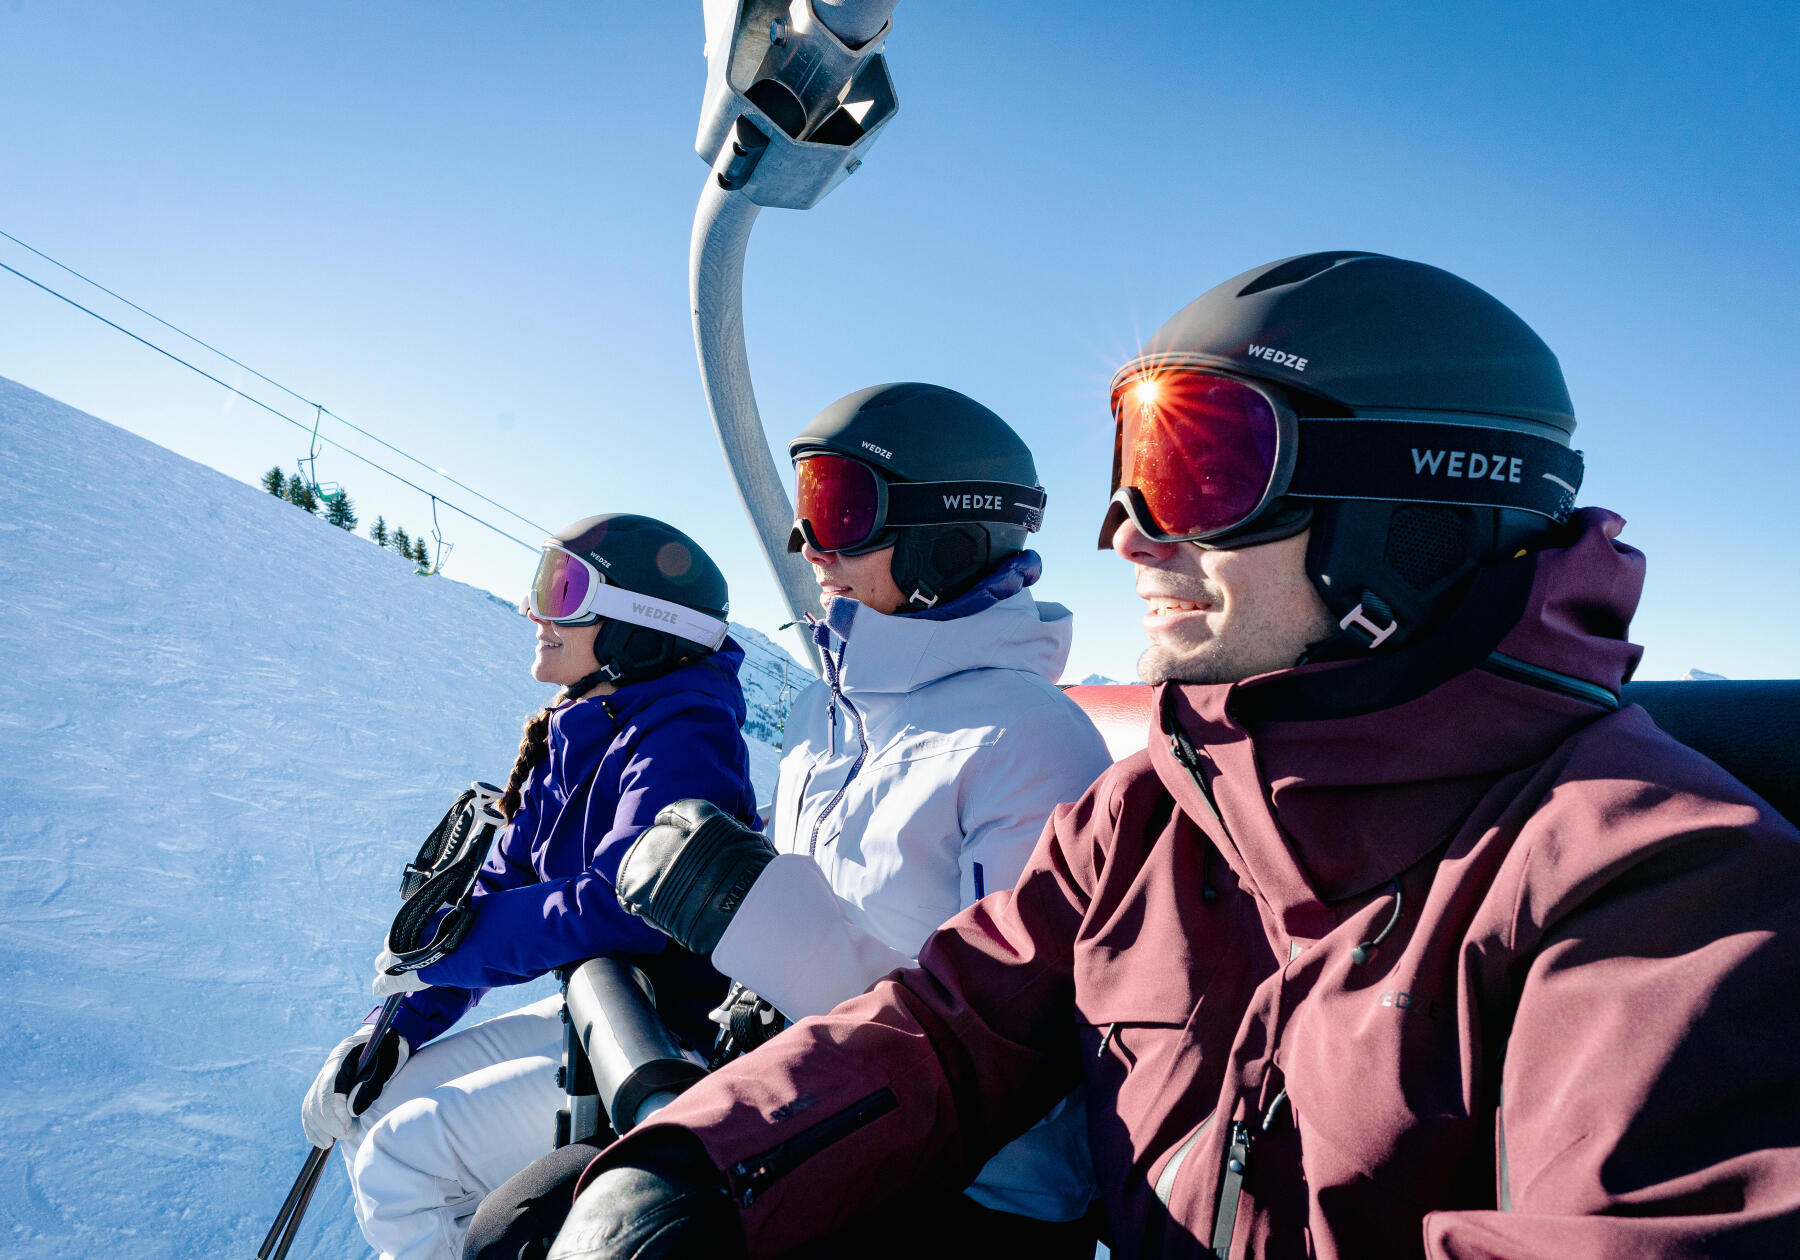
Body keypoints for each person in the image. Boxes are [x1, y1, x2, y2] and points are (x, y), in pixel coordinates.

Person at [544, 254, 1800, 1259]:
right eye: (1134, 467)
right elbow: (948, 1025)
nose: (1128, 533)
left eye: (1203, 467)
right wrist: (700, 1171)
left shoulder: (1659, 890)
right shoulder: (1154, 811)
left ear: (1413, 516)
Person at [463, 384, 1113, 1259]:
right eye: (803, 508)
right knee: (514, 1228)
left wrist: (754, 916)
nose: (807, 544)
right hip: (797, 1096)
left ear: (949, 530)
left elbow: (1023, 1092)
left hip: (961, 1191)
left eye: (839, 507)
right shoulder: (825, 711)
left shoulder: (1030, 745)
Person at [298, 513, 759, 1260]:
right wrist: (392, 1031)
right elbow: (494, 887)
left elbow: (626, 904)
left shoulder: (684, 734)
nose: (533, 609)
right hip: (597, 1011)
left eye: (565, 588)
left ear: (639, 625)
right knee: (377, 1104)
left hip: (664, 1041)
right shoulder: (581, 725)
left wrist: (445, 952)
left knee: (400, 1159)